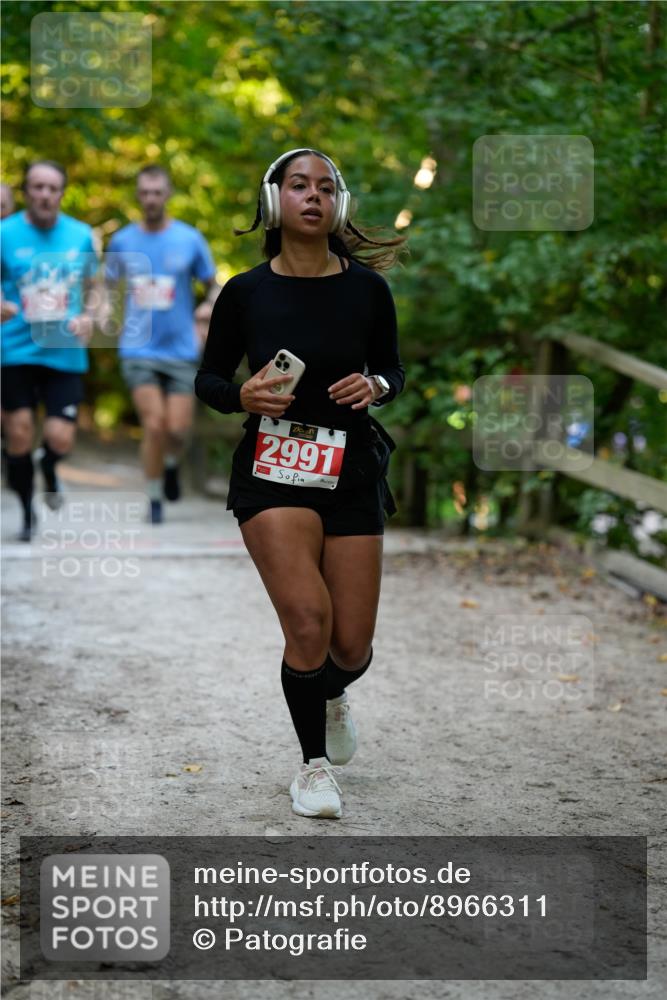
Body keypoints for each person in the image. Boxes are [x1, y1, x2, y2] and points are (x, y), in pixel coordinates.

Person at [195, 148, 405, 819]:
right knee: (308, 625)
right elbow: (209, 380)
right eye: (297, 186)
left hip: (350, 472)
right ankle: (312, 770)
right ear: (273, 200)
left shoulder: (367, 290)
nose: (311, 197)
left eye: (324, 187)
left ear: (337, 203)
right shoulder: (246, 291)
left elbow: (394, 373)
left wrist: (374, 385)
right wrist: (242, 396)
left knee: (351, 647)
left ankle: (331, 692)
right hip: (272, 473)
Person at [106, 165, 219, 524]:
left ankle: (170, 465)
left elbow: (212, 286)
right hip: (138, 349)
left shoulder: (189, 239)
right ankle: (153, 497)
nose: (151, 199)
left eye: (157, 192)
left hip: (182, 349)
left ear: (167, 194)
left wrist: (208, 306)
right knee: (154, 425)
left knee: (177, 429)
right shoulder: (122, 241)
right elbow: (106, 290)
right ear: (138, 196)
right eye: (145, 193)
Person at [1, 161, 97, 540]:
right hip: (14, 349)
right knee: (19, 433)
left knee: (60, 438)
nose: (44, 194)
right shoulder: (4, 233)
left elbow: (97, 289)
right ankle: (27, 512)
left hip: (64, 351)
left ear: (62, 192)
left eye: (52, 188)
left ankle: (50, 465)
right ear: (26, 191)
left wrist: (90, 315)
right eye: (37, 187)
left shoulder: (81, 235)